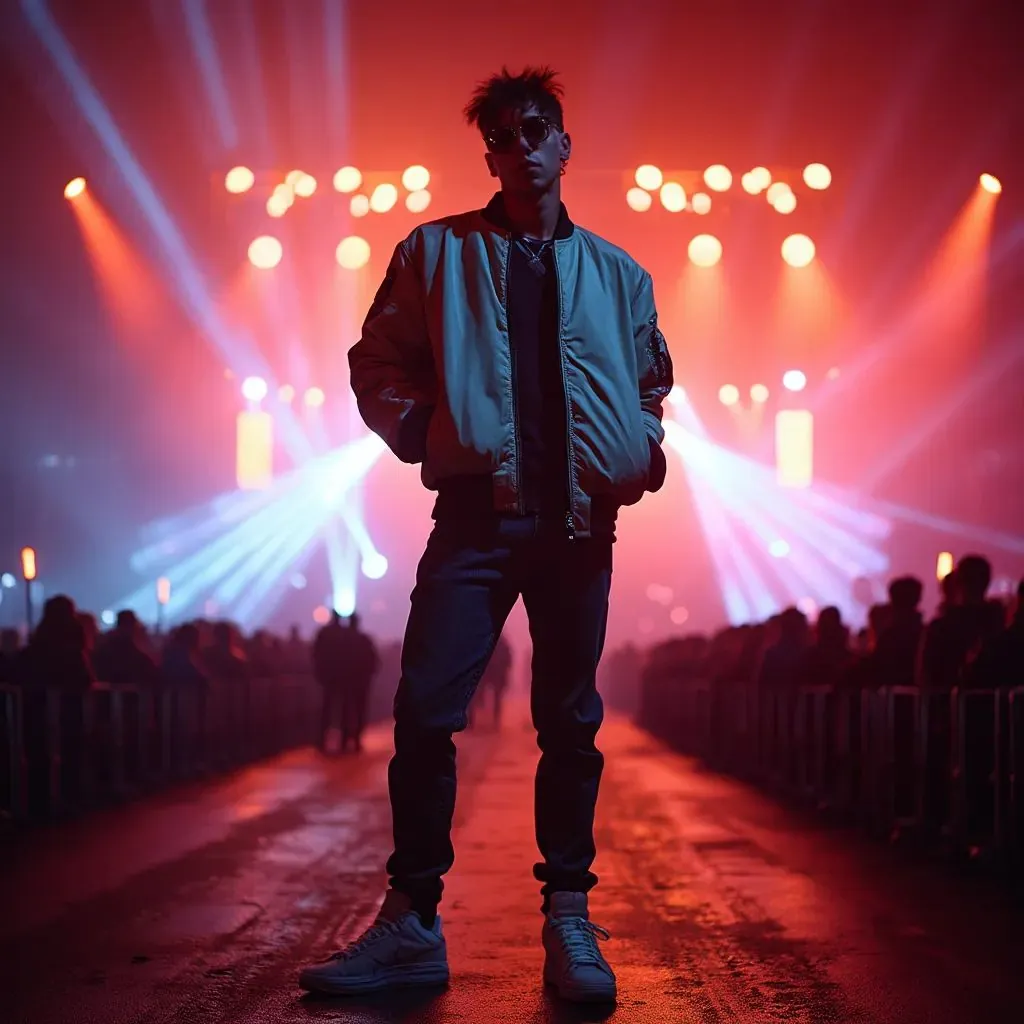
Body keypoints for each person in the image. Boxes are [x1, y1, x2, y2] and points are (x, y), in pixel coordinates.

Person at [299, 66, 671, 1005]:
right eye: (503, 135)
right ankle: (413, 920)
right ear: (490, 153)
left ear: (564, 143)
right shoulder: (434, 252)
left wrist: (642, 451)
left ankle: (569, 919)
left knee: (570, 724)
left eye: (536, 127)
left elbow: (652, 380)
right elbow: (374, 360)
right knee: (425, 711)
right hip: (477, 516)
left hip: (582, 521)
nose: (521, 145)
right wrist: (425, 435)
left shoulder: (621, 274)